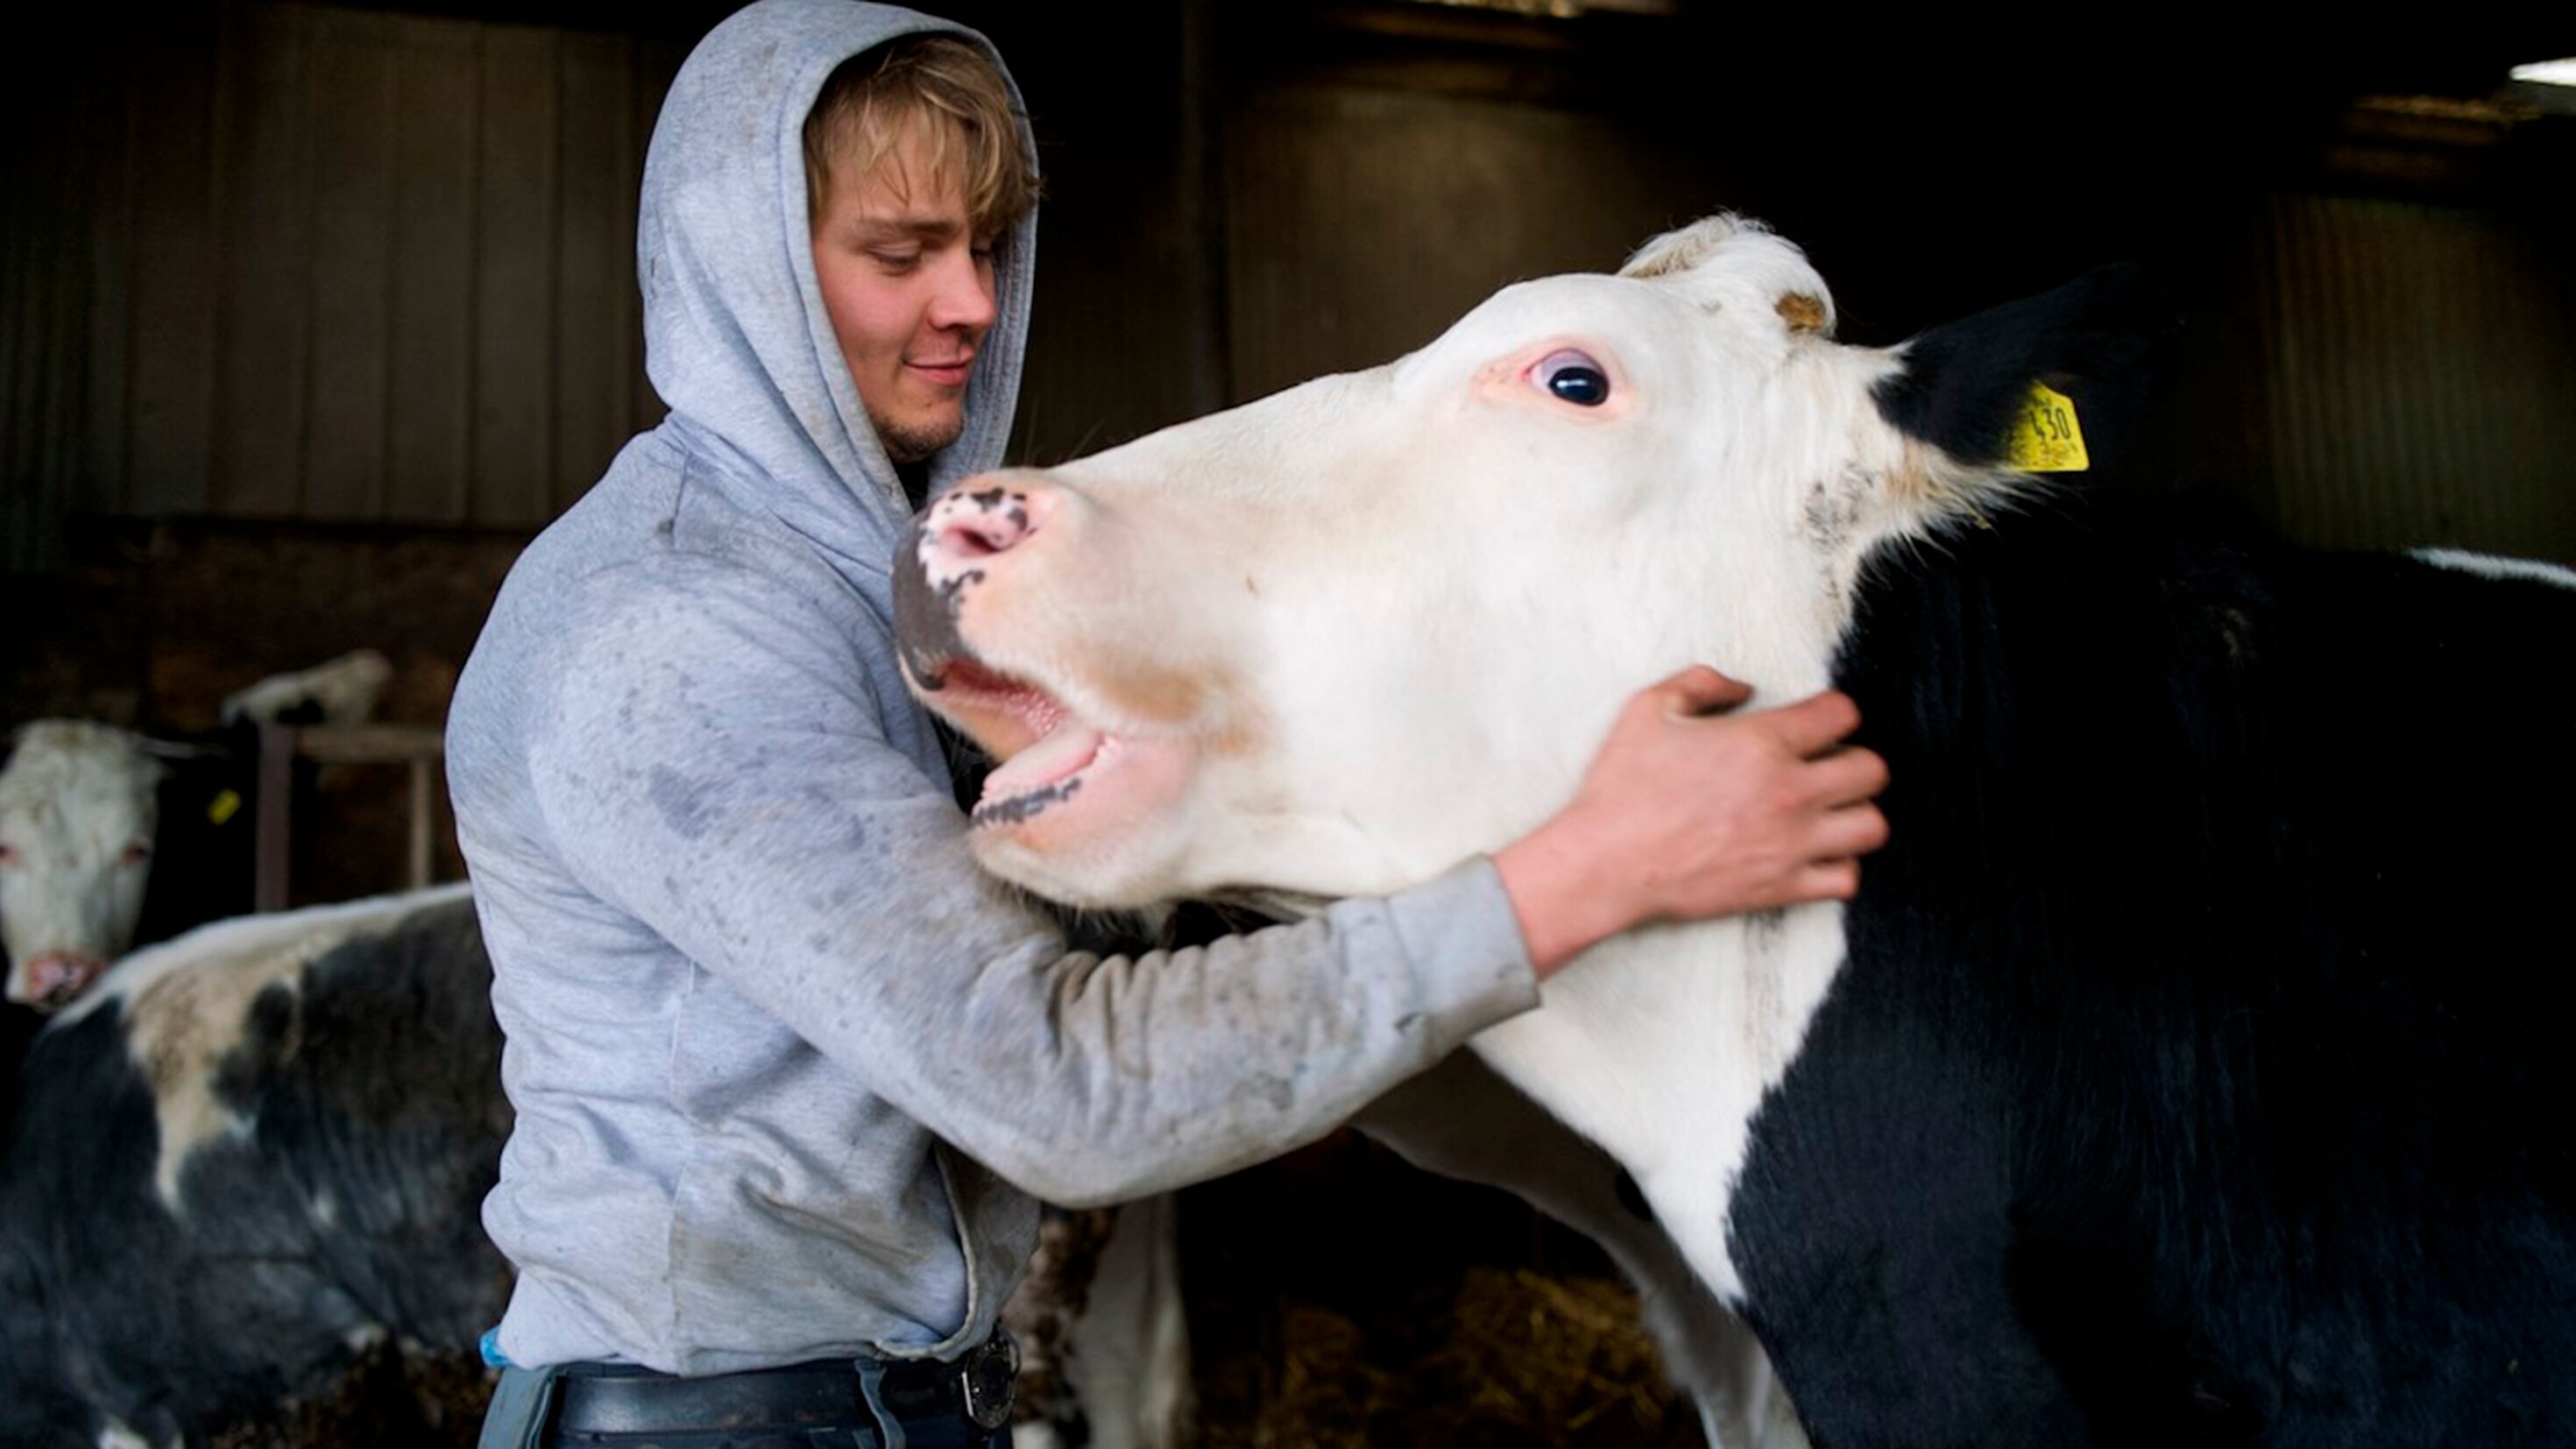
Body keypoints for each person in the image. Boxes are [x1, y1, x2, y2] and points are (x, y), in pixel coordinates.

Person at [449, 3, 1890, 1445]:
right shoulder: (673, 627)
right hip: (721, 1421)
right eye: (901, 255)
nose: (972, 303)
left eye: (991, 244)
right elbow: (1047, 1084)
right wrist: (1589, 870)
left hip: (873, 1403)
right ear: (742, 272)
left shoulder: (840, 581)